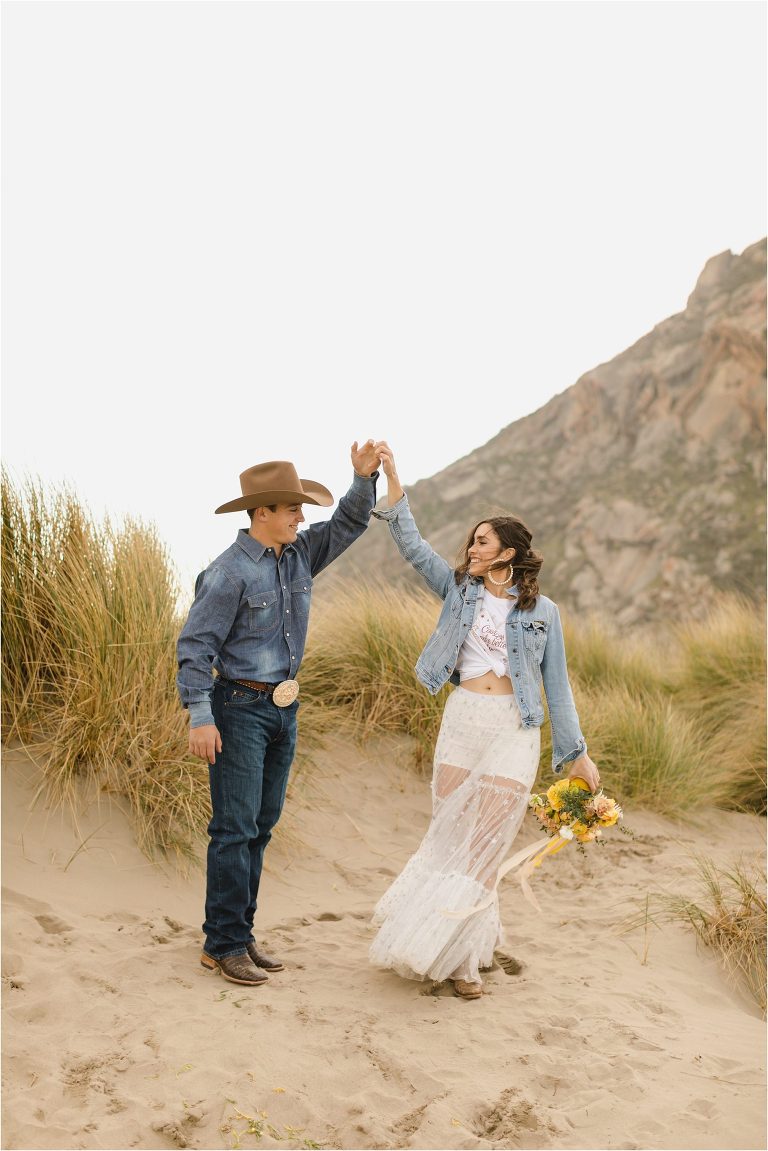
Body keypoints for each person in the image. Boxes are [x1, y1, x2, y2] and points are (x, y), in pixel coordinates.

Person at [368, 445, 599, 999]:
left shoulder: (544, 614)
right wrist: (394, 479)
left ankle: (465, 959)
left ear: (510, 552)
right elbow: (410, 544)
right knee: (449, 834)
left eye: (482, 540)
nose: (471, 548)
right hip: (464, 719)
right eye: (471, 541)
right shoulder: (457, 590)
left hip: (515, 729)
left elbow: (557, 686)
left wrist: (576, 754)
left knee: (487, 843)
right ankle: (444, 942)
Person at [177, 442, 383, 986]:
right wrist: (201, 715)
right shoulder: (227, 573)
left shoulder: (296, 554)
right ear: (261, 512)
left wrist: (363, 479)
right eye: (292, 508)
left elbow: (347, 525)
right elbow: (195, 647)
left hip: (283, 711)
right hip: (238, 709)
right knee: (234, 829)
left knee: (261, 827)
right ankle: (221, 944)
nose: (301, 516)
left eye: (301, 508)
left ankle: (239, 936)